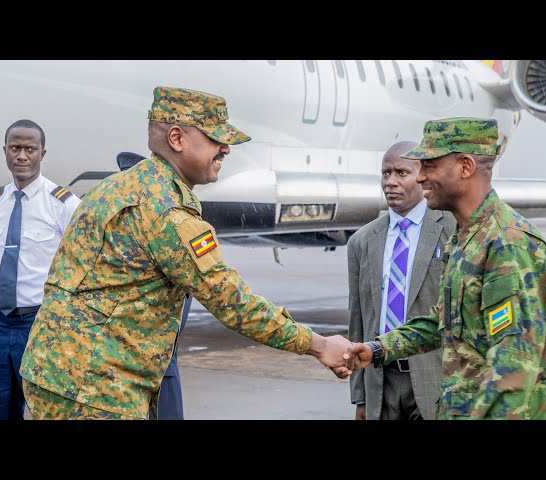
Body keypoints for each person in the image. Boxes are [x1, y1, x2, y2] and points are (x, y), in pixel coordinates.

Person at [19, 87, 352, 420]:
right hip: (97, 390)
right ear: (177, 138)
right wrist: (319, 345)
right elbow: (234, 304)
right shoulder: (169, 215)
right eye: (215, 139)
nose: (226, 149)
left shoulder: (114, 187)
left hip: (51, 371)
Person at [343, 117, 546, 420]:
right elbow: (445, 320)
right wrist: (378, 349)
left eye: (430, 166)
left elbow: (513, 367)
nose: (421, 177)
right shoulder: (466, 239)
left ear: (465, 167)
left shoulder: (507, 244)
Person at [0, 119, 80, 420]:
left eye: (30, 149)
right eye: (15, 148)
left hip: (38, 324)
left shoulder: (64, 204)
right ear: (5, 151)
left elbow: (79, 260)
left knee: (45, 410)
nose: (21, 155)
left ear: (42, 154)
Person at [348, 140, 456, 420]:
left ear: (422, 176)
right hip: (380, 380)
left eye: (401, 173)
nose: (390, 182)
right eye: (386, 173)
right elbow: (358, 319)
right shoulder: (362, 241)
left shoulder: (452, 230)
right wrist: (360, 396)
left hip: (433, 377)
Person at [116, 150, 192, 420]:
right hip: (120, 359)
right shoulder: (123, 228)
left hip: (158, 355)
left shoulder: (175, 224)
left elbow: (184, 300)